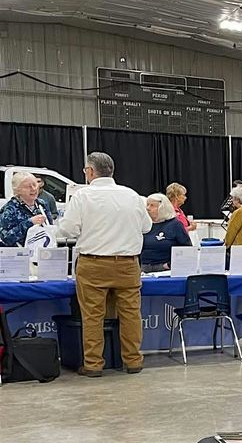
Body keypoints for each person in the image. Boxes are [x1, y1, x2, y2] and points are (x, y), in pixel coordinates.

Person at [55, 152, 152, 376]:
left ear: (90, 171)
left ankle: (93, 364)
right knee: (130, 314)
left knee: (92, 315)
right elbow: (146, 227)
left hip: (94, 264)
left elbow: (67, 230)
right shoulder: (132, 195)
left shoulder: (82, 196)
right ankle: (134, 360)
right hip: (128, 264)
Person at [140, 192, 192, 272]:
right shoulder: (144, 224)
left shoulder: (175, 224)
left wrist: (169, 265)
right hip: (143, 269)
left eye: (152, 205)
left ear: (162, 208)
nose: (148, 208)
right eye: (147, 205)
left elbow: (187, 249)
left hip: (165, 270)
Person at [0, 173, 52, 246]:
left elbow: (49, 227)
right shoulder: (10, 208)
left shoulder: (41, 204)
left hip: (42, 251)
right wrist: (29, 223)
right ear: (17, 190)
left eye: (34, 184)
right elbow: (5, 238)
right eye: (28, 187)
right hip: (18, 254)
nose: (33, 189)